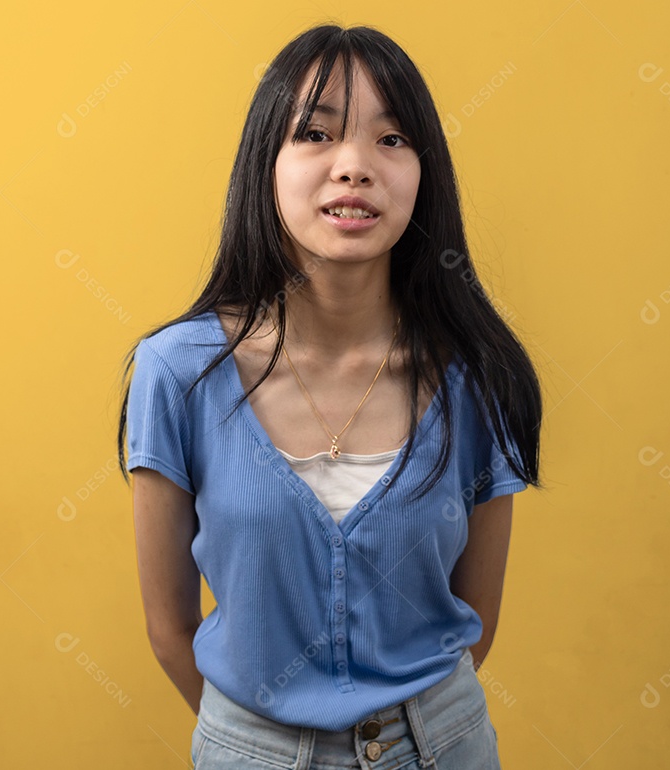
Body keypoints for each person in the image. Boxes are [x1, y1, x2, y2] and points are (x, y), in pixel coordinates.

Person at [116, 22, 542, 769]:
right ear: (265, 165)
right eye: (314, 133)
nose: (353, 167)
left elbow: (474, 625)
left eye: (392, 138)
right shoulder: (178, 371)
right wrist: (264, 742)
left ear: (424, 172)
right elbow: (168, 627)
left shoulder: (478, 376)